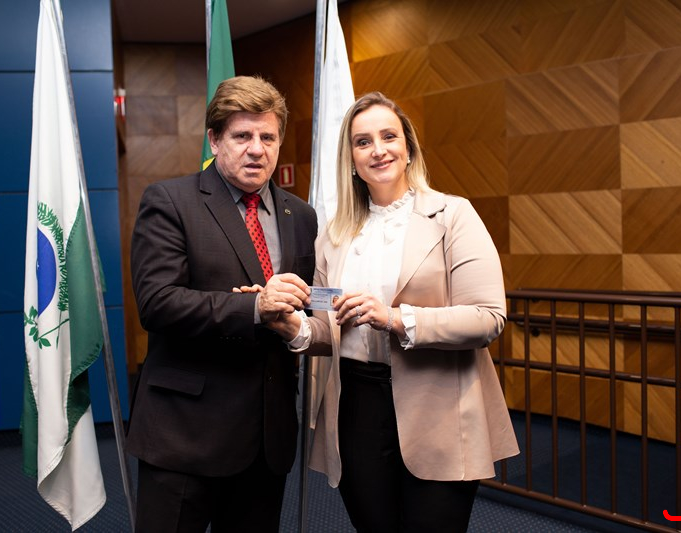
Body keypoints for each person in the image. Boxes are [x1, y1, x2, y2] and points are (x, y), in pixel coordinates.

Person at [270, 91, 519, 532]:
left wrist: (394, 317)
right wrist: (294, 327)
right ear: (351, 159)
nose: (378, 150)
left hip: (439, 403)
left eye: (389, 136)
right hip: (356, 407)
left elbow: (487, 317)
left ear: (408, 148)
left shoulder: (453, 216)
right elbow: (329, 328)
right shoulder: (334, 235)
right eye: (363, 141)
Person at [126, 75, 317, 532]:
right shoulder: (170, 201)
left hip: (265, 439)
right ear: (214, 140)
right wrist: (254, 309)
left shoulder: (300, 215)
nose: (257, 149)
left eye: (268, 137)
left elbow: (304, 304)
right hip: (185, 435)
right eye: (242, 136)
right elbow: (157, 303)